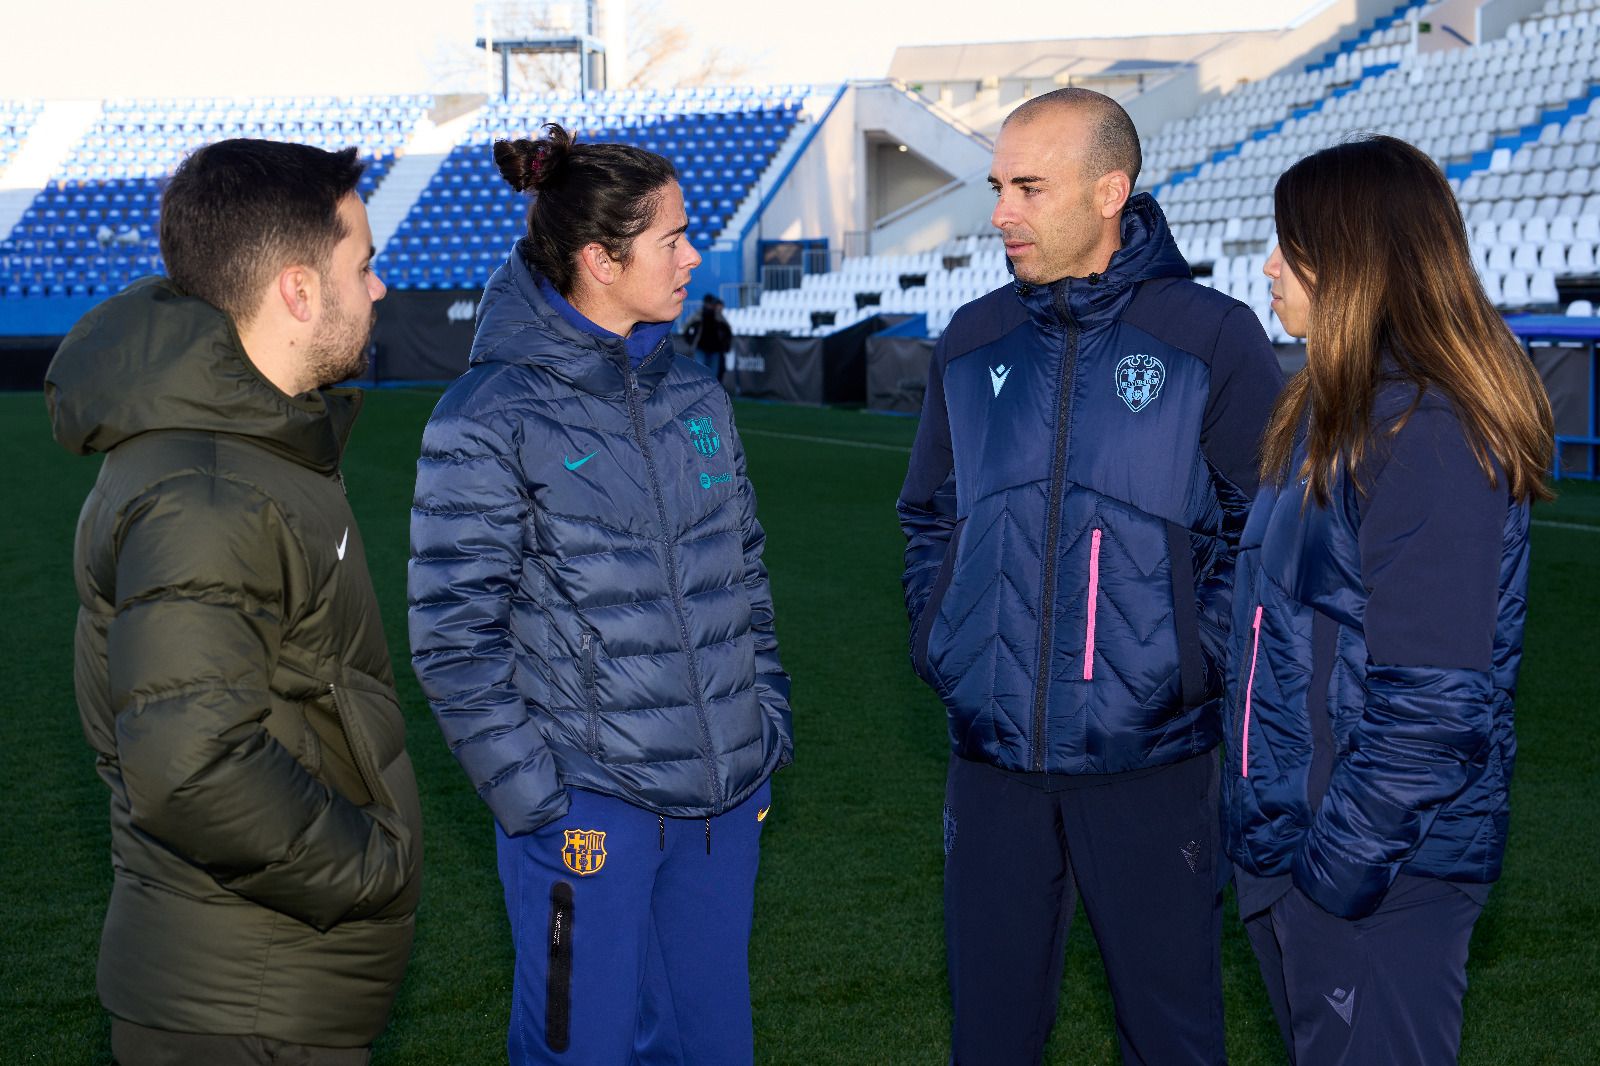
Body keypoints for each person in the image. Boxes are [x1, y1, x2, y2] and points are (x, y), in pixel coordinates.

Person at [897, 87, 1284, 1065]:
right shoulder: (972, 339)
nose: (1000, 213)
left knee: (1170, 1033)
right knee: (988, 1035)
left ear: (1110, 189)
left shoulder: (1210, 336)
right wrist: (947, 642)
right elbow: (928, 516)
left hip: (1151, 763)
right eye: (996, 186)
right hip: (992, 764)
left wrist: (1183, 668)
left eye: (1027, 187)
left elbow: (1269, 536)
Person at [408, 123, 792, 1066]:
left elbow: (744, 575)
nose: (693, 253)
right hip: (589, 809)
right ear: (598, 258)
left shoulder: (695, 399)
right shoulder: (491, 414)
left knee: (712, 1048)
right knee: (579, 1049)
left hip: (722, 802)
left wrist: (763, 726)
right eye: (672, 237)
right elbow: (455, 636)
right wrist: (540, 800)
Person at [43, 139, 420, 1065]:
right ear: (297, 290)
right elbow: (190, 766)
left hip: (260, 994)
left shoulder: (246, 453)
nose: (377, 289)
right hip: (241, 1011)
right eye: (362, 266)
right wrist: (372, 866)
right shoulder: (207, 488)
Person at [1224, 135, 1554, 1065]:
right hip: (1308, 860)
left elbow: (1437, 708)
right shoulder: (1332, 410)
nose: (1269, 263)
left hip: (1376, 881)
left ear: (1354, 261)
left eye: (1289, 244)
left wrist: (1331, 881)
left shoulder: (1431, 429)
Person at [684, 291, 733, 382]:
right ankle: (701, 394)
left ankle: (710, 394)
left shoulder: (718, 316)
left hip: (715, 349)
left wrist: (725, 345)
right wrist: (691, 341)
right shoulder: (699, 315)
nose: (710, 305)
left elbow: (727, 330)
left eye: (711, 303)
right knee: (700, 374)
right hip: (701, 348)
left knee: (712, 376)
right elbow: (687, 328)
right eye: (709, 303)